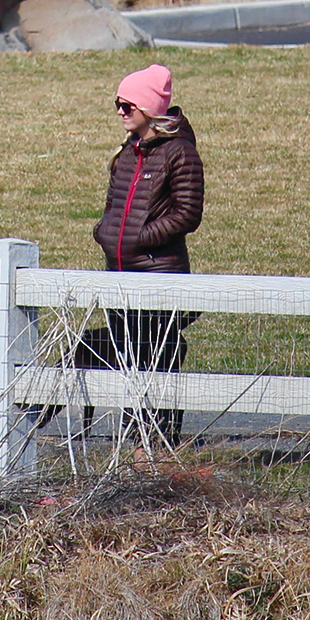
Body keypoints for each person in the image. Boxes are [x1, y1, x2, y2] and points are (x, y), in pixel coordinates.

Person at [75, 63, 203, 444]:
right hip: (120, 278)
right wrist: (105, 232)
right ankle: (138, 452)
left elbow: (187, 214)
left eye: (127, 105)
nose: (119, 112)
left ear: (149, 109)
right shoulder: (127, 154)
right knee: (130, 364)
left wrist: (138, 239)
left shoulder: (180, 153)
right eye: (117, 103)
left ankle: (157, 452)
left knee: (155, 367)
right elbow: (113, 205)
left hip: (159, 278)